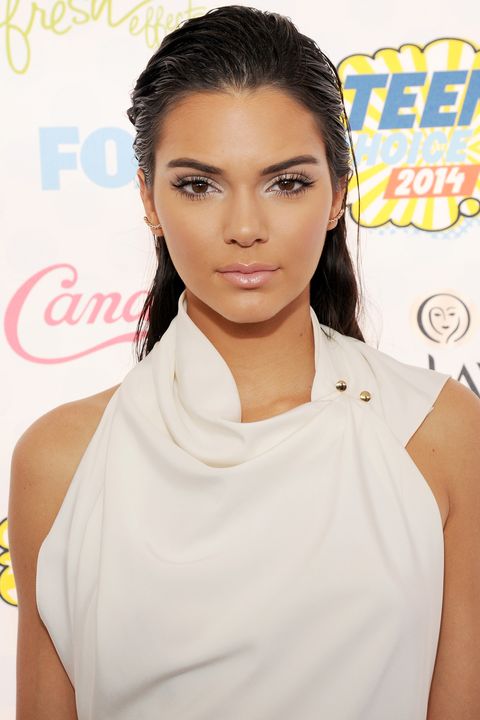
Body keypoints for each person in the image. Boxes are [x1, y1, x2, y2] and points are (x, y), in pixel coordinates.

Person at [8, 5, 480, 720]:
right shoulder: (61, 459)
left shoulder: (439, 432)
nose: (246, 228)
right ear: (148, 199)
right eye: (199, 184)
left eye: (285, 182)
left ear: (336, 197)